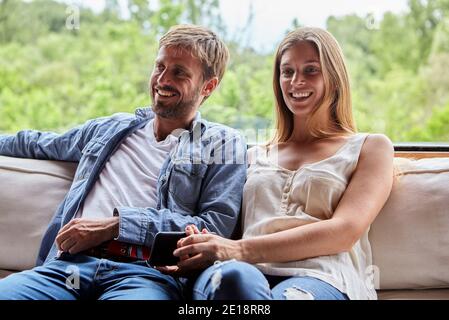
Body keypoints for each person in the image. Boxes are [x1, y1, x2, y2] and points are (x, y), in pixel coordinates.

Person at [0, 24, 246, 300]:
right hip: (67, 267)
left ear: (208, 86)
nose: (162, 80)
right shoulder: (111, 129)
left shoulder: (222, 143)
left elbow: (213, 228)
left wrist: (117, 225)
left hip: (145, 276)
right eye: (160, 66)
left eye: (179, 73)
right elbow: (37, 143)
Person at [164, 27, 394, 300]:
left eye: (311, 70)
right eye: (287, 72)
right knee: (232, 280)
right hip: (245, 276)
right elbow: (228, 230)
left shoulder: (371, 148)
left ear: (334, 77)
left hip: (323, 277)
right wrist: (200, 243)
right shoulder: (252, 157)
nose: (296, 81)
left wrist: (237, 250)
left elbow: (344, 231)